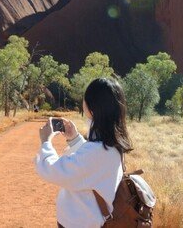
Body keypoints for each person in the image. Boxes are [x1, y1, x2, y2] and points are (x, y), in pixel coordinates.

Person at [34, 77, 134, 228]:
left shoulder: (97, 151)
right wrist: (74, 139)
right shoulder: (112, 145)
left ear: (92, 108)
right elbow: (89, 165)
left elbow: (54, 171)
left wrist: (45, 142)